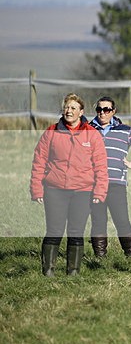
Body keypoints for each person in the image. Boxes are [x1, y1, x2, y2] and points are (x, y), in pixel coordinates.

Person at [30, 93, 108, 276]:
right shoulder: (51, 132)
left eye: (73, 108)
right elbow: (39, 162)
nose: (68, 110)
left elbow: (101, 166)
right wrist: (36, 189)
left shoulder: (92, 135)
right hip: (54, 189)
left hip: (83, 191)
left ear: (81, 112)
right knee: (54, 229)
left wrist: (100, 192)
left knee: (76, 230)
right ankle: (48, 271)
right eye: (66, 107)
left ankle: (73, 271)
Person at [89, 96, 131, 258]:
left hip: (116, 183)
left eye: (106, 109)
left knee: (122, 220)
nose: (102, 113)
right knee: (98, 221)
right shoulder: (87, 129)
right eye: (99, 109)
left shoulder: (125, 130)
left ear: (113, 111)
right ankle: (100, 258)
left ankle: (130, 256)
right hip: (94, 184)